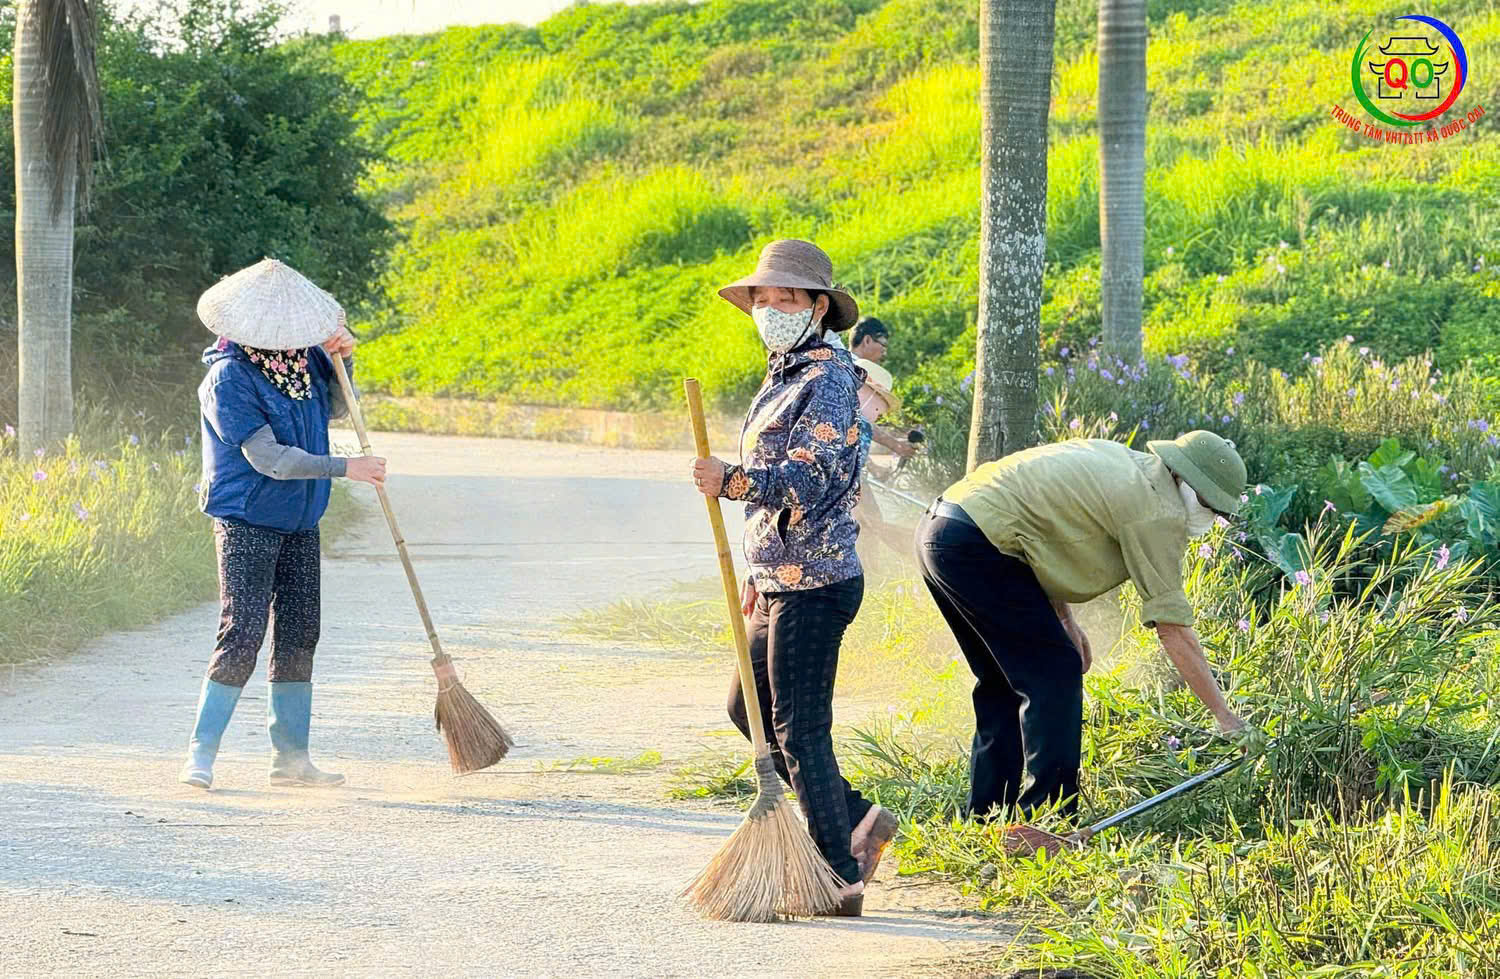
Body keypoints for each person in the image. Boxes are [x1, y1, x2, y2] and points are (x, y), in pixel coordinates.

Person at [691, 239, 895, 916]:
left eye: (787, 298)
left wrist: (731, 480)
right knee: (745, 707)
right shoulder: (781, 374)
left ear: (817, 308)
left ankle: (837, 878)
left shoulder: (831, 381)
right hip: (778, 577)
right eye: (763, 299)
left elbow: (810, 479)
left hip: (819, 580)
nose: (771, 309)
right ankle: (859, 816)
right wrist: (757, 565)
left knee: (801, 726)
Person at [915, 431, 1250, 821]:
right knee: (1054, 674)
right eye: (1212, 507)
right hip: (979, 545)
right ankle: (1049, 820)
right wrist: (1227, 719)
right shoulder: (1158, 509)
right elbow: (1172, 628)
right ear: (1187, 484)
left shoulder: (1126, 464)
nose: (1211, 519)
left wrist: (1064, 619)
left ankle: (987, 816)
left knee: (1004, 680)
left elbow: (1042, 532)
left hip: (944, 533)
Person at [181, 258, 387, 790]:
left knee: (300, 634)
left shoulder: (307, 362)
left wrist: (345, 362)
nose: (294, 339)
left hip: (301, 519)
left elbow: (340, 410)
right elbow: (270, 459)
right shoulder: (228, 377)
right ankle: (200, 755)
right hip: (247, 518)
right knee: (242, 633)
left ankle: (291, 760)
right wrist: (348, 468)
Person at [849, 317, 916, 463]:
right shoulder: (854, 372)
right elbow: (857, 419)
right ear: (867, 340)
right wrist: (895, 445)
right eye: (883, 346)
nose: (884, 353)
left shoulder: (841, 365)